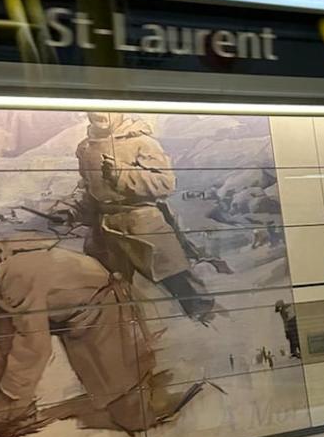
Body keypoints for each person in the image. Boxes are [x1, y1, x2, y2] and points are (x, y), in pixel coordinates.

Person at [0, 227, 202, 437]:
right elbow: (4, 348)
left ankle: (185, 391)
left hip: (103, 309)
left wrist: (6, 401)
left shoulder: (15, 276)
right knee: (108, 391)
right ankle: (15, 415)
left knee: (133, 415)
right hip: (72, 316)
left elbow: (31, 351)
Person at [62, 112, 219, 323]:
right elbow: (90, 189)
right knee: (103, 285)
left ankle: (207, 321)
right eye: (94, 109)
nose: (100, 113)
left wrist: (122, 174)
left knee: (177, 276)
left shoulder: (142, 142)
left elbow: (165, 183)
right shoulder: (85, 147)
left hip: (142, 220)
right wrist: (74, 211)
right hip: (104, 228)